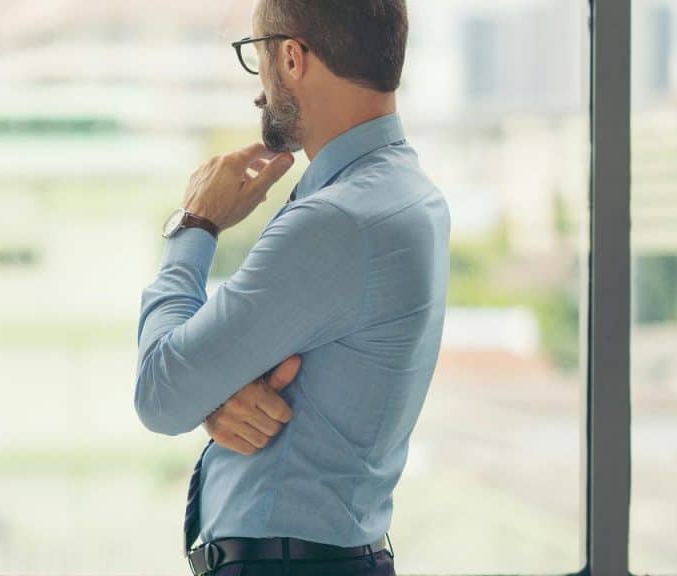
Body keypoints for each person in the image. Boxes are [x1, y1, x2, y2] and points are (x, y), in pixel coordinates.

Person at [134, 1, 450, 574]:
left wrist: (194, 225)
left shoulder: (339, 222)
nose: (260, 86)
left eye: (257, 58)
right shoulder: (407, 194)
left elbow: (160, 391)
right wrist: (215, 393)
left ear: (291, 57)